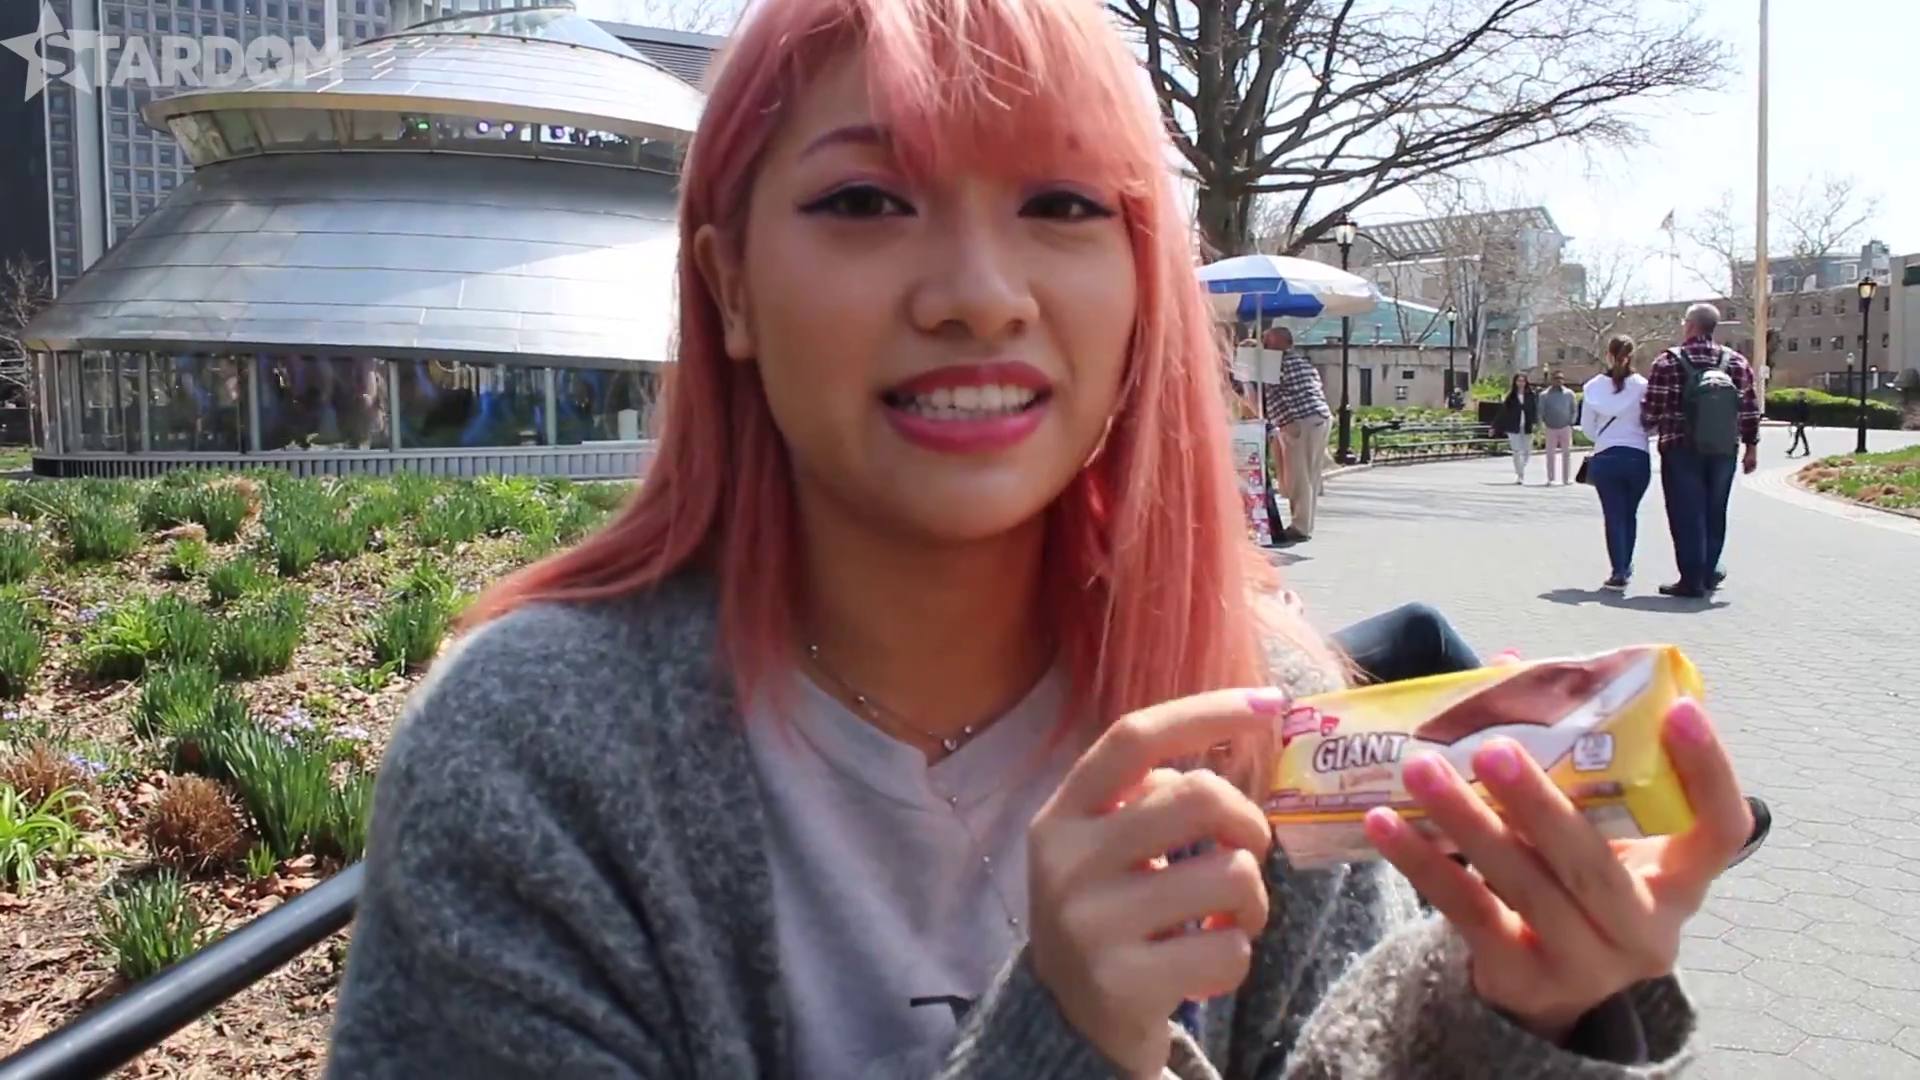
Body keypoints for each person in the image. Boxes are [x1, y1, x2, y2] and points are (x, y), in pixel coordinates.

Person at [325, 1, 1752, 1076]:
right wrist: (1062, 1037)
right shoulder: (534, 751)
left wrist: (1510, 1016)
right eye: (866, 200)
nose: (978, 293)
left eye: (1063, 205)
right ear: (732, 288)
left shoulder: (1252, 697)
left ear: (1141, 290)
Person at [1641, 303, 1761, 599]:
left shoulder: (1667, 362)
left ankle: (1691, 579)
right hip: (1723, 448)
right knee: (1715, 511)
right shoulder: (1736, 362)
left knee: (1686, 513)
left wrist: (1649, 422)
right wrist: (1751, 448)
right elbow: (1749, 408)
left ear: (1691, 325)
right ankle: (1708, 573)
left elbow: (1651, 410)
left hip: (1680, 447)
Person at [1581, 336, 1652, 590]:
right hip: (1637, 455)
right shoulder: (1644, 386)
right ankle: (1626, 563)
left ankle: (1618, 570)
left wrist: (1605, 437)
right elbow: (1651, 424)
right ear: (1632, 355)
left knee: (1613, 515)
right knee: (1629, 513)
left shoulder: (1593, 387)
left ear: (1608, 355)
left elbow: (1588, 428)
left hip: (1606, 456)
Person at [1259, 325, 1331, 542]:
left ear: (1278, 343)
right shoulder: (1302, 363)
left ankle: (1300, 528)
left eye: (1267, 342)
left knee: (1298, 477)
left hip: (1301, 421)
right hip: (1320, 417)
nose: (1264, 346)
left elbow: (1275, 395)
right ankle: (1305, 524)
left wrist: (1285, 423)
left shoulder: (1277, 363)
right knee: (1310, 475)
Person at [1496, 372, 1538, 484]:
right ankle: (1520, 475)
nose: (1521, 383)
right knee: (1516, 451)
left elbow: (1534, 410)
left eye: (1523, 381)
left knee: (1527, 451)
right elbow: (1503, 412)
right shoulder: (1511, 397)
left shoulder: (1530, 395)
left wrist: (1535, 423)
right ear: (1515, 382)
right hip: (1513, 426)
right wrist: (1495, 426)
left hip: (1527, 426)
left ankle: (1521, 468)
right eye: (1518, 381)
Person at [1538, 370, 1578, 485]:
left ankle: (1566, 478)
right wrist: (1542, 424)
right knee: (1550, 454)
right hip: (1550, 427)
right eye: (1556, 378)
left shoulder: (1569, 394)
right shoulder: (1544, 395)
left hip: (1565, 426)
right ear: (1552, 380)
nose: (1559, 381)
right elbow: (1541, 411)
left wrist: (1571, 422)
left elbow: (1574, 409)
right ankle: (1551, 478)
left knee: (1567, 453)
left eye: (1561, 378)